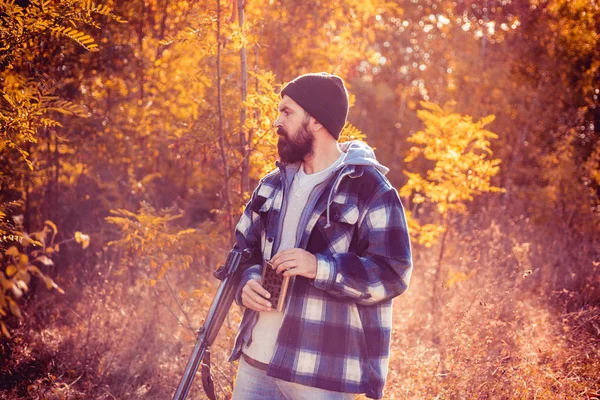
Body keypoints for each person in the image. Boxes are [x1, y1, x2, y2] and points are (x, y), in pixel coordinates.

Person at [229, 72, 413, 400]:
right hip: (255, 362)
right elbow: (241, 253)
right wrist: (247, 283)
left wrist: (319, 266)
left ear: (315, 121)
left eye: (287, 112)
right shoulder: (271, 184)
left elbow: (394, 273)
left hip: (320, 374)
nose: (276, 121)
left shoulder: (370, 189)